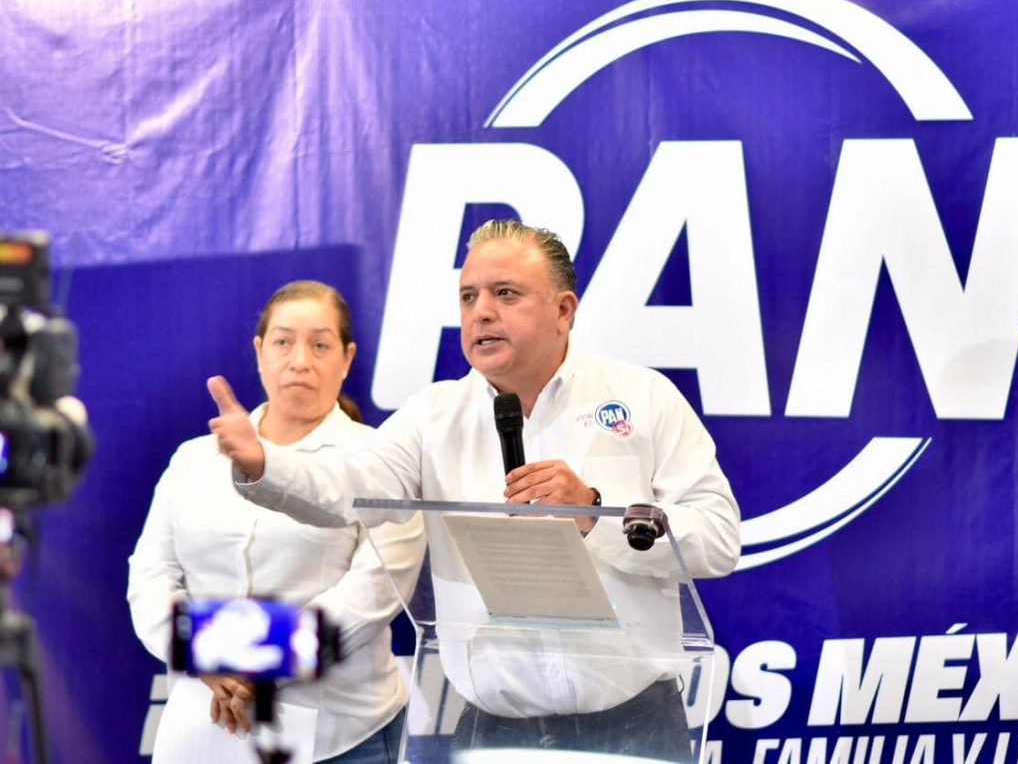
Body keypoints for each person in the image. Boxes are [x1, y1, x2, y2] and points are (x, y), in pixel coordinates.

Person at [208, 222, 741, 760]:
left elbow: (718, 538)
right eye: (468, 297)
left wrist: (595, 514)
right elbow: (347, 485)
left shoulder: (644, 398)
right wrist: (265, 463)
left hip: (637, 728)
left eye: (505, 293)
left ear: (563, 310)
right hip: (493, 735)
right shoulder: (433, 417)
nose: (481, 312)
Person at [127, 280, 426, 763]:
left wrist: (253, 660)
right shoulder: (194, 459)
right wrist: (203, 656)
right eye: (283, 342)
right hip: (204, 730)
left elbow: (372, 594)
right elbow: (151, 576)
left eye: (320, 345)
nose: (300, 361)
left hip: (345, 736)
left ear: (347, 358)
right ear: (260, 351)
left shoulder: (382, 460)